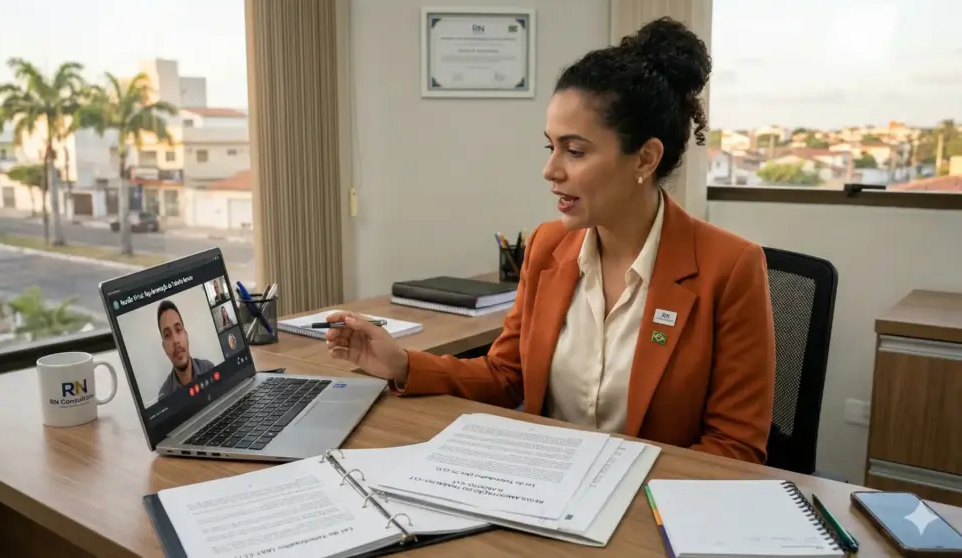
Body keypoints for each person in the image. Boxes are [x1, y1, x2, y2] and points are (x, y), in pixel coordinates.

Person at [325, 17, 776, 464]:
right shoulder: (547, 247)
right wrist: (402, 364)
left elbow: (733, 449)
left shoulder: (730, 267)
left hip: (651, 512)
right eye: (551, 147)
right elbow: (505, 376)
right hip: (548, 493)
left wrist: (621, 501)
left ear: (645, 158)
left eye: (575, 151)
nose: (551, 170)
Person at [157, 300, 216, 400]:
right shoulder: (165, 395)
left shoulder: (209, 369)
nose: (175, 340)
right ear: (164, 348)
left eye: (178, 330)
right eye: (167, 335)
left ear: (186, 335)